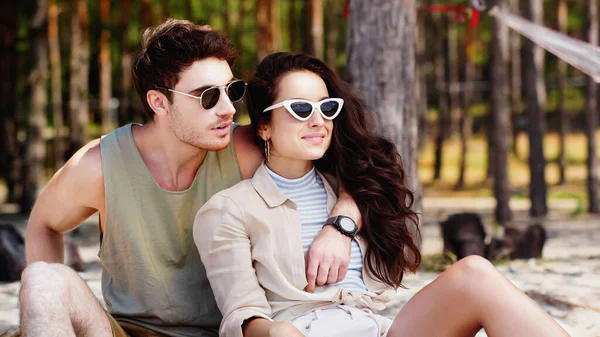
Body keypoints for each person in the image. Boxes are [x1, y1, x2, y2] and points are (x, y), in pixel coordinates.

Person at [16, 20, 362, 337]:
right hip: (127, 331)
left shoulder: (245, 148)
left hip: (230, 332)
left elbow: (354, 163)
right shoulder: (99, 166)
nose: (228, 108)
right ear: (159, 103)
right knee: (42, 279)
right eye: (208, 96)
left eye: (232, 90)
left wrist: (341, 225)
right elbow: (43, 224)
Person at [193, 52, 571, 337]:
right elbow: (241, 315)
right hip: (305, 331)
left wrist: (341, 222)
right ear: (263, 126)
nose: (318, 120)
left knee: (474, 272)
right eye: (300, 108)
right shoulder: (230, 210)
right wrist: (277, 332)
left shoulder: (351, 191)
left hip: (378, 330)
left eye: (327, 108)